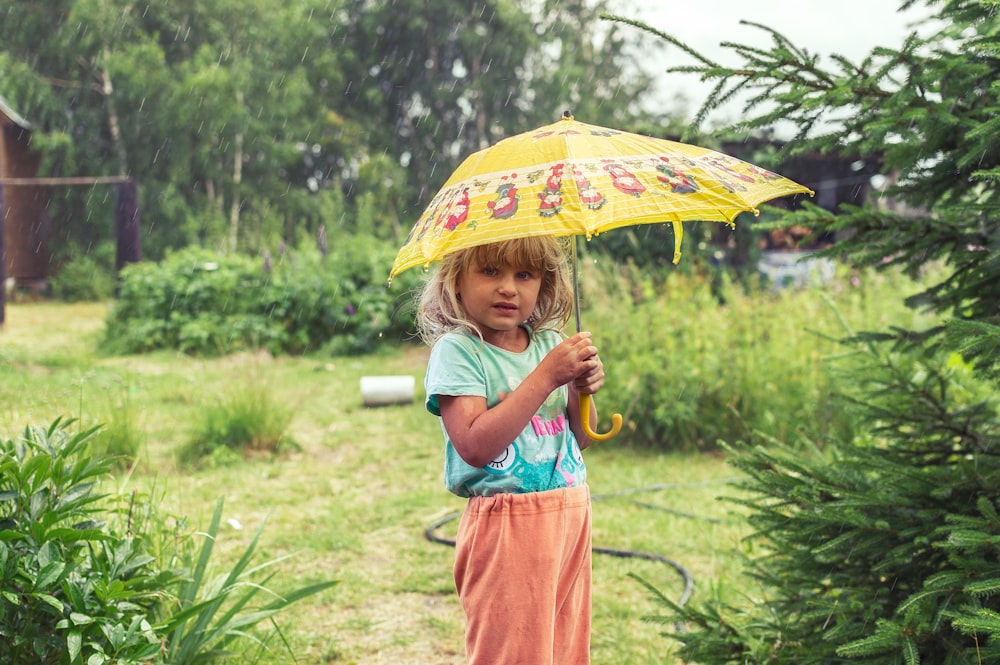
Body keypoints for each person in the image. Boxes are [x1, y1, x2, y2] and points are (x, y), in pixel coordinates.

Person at [416, 235, 607, 665]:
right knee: (513, 652)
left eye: (525, 274)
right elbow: (475, 445)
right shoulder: (460, 351)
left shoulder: (547, 344)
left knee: (564, 648)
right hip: (508, 526)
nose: (508, 287)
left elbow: (579, 439)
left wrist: (581, 389)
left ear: (545, 283)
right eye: (490, 271)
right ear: (456, 282)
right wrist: (546, 377)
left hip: (571, 513)